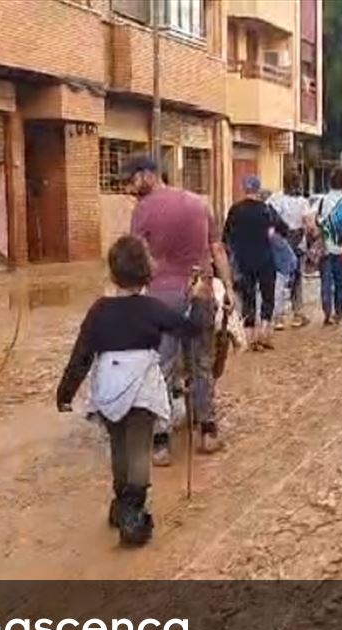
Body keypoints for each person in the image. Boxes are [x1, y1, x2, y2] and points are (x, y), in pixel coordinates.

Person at [56, 235, 212, 547]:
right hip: (142, 390)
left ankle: (121, 503)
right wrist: (198, 299)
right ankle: (134, 512)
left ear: (112, 272)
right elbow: (190, 330)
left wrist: (65, 391)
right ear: (147, 271)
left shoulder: (99, 310)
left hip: (108, 388)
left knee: (118, 447)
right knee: (139, 449)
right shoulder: (152, 309)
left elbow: (82, 354)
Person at [125, 156, 228, 465]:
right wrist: (230, 290)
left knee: (162, 367)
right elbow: (217, 250)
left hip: (162, 297)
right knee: (202, 361)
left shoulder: (142, 211)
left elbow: (135, 258)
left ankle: (160, 442)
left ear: (147, 175)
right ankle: (207, 432)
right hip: (202, 290)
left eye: (131, 181)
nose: (129, 189)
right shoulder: (200, 204)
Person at [224, 175, 286, 351]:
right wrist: (270, 232)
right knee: (268, 296)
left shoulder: (235, 210)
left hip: (244, 260)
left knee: (248, 298)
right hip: (265, 259)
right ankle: (265, 334)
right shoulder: (266, 209)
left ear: (244, 189)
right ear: (258, 189)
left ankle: (250, 338)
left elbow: (226, 235)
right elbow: (284, 229)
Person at [268, 174, 311, 328]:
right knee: (297, 279)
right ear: (298, 183)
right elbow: (308, 224)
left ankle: (277, 317)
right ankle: (297, 315)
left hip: (279, 243)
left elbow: (269, 218)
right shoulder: (302, 202)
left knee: (279, 278)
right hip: (298, 243)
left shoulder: (275, 198)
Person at [313, 169, 342, 325]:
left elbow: (313, 219)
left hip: (326, 248)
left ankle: (327, 313)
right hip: (341, 248)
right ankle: (339, 311)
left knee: (326, 282)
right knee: (340, 281)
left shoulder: (323, 200)